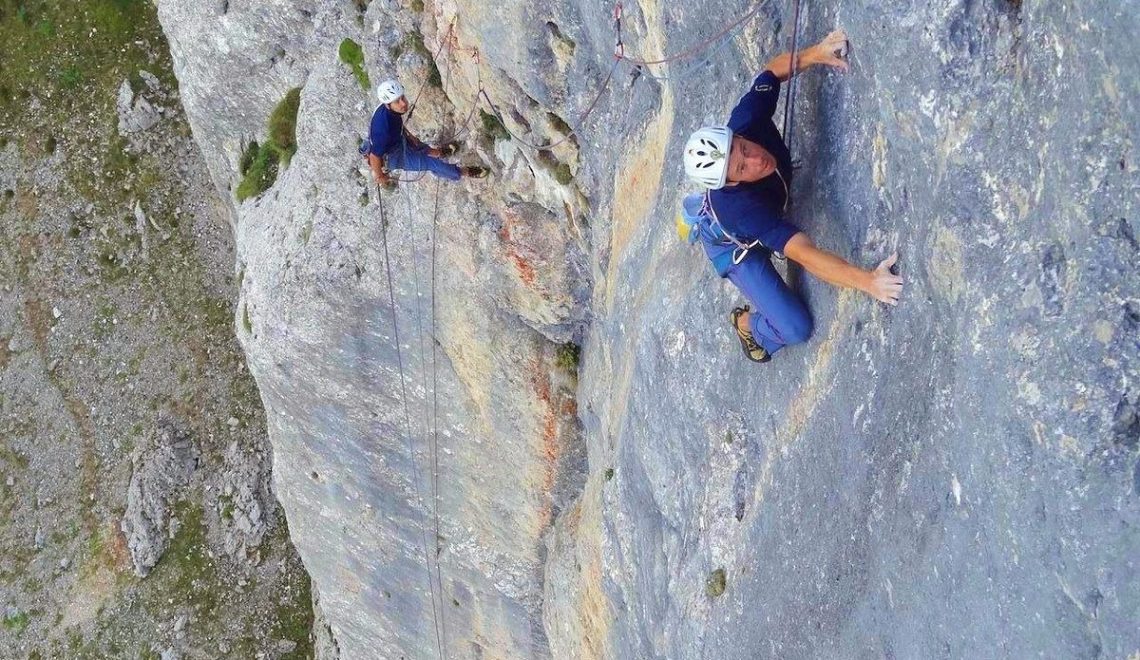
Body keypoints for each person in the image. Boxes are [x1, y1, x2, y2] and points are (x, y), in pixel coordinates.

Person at [680, 29, 903, 363]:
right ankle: (746, 324)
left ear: (735, 136)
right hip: (733, 247)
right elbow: (805, 253)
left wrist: (816, 53)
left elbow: (770, 72)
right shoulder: (742, 209)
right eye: (742, 168)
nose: (756, 160)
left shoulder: (746, 121)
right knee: (796, 327)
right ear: (729, 183)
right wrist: (868, 282)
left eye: (744, 148)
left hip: (750, 215)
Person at [366, 79, 487, 188]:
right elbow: (374, 156)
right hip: (393, 156)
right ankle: (463, 172)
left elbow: (396, 125)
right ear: (388, 105)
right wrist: (380, 176)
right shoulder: (383, 130)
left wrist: (409, 136)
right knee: (433, 164)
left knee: (420, 145)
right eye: (397, 101)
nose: (403, 103)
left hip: (396, 140)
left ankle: (440, 153)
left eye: (402, 97)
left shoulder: (388, 110)